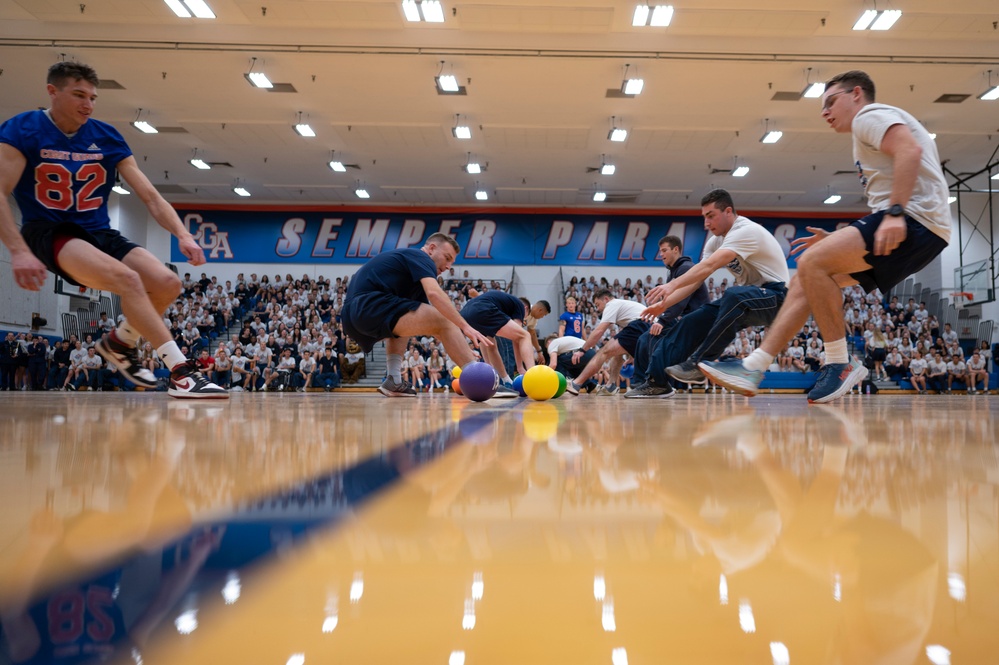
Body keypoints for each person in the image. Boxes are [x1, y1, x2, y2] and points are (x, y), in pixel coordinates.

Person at [700, 70, 951, 403]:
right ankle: (754, 366)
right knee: (805, 281)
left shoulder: (869, 116)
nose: (824, 112)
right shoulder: (867, 130)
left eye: (831, 102)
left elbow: (909, 152)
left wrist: (893, 214)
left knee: (811, 262)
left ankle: (839, 363)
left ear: (857, 94)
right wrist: (839, 237)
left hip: (914, 219)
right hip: (923, 227)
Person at [0, 62, 225, 399]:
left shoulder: (105, 135)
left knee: (168, 283)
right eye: (78, 95)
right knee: (129, 280)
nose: (87, 104)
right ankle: (180, 372)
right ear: (52, 92)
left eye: (92, 97)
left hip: (100, 232)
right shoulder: (22, 130)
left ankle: (120, 343)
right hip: (50, 231)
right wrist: (17, 251)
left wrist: (183, 234)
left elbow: (149, 195)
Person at [626, 189, 789, 398]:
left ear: (728, 211)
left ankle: (699, 363)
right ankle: (657, 383)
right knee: (688, 323)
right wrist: (664, 304)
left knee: (733, 295)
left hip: (776, 298)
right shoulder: (715, 242)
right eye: (704, 217)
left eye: (711, 216)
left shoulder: (746, 231)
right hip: (746, 299)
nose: (706, 223)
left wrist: (671, 285)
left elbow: (709, 266)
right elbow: (695, 281)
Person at [340, 233, 491, 397]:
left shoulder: (413, 276)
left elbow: (430, 325)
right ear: (431, 249)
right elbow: (435, 295)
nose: (449, 266)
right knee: (445, 318)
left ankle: (394, 380)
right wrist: (466, 327)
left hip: (352, 316)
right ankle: (479, 378)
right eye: (447, 258)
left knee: (407, 321)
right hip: (368, 305)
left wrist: (462, 347)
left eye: (452, 263)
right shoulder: (421, 256)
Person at [627, 234, 711, 390]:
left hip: (696, 321)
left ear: (676, 249)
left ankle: (658, 384)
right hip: (683, 319)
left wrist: (662, 321)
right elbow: (670, 302)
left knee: (655, 337)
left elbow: (680, 301)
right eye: (660, 251)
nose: (661, 254)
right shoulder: (674, 271)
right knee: (644, 339)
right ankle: (640, 382)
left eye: (664, 250)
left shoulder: (686, 268)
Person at [459, 289, 549, 396]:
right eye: (524, 318)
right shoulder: (520, 305)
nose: (523, 320)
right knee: (525, 335)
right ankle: (534, 376)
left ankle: (496, 379)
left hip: (465, 314)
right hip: (482, 309)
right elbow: (517, 338)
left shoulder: (503, 304)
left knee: (489, 343)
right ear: (526, 309)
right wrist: (520, 367)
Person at [564, 289, 648, 396]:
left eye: (598, 304)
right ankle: (610, 386)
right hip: (648, 328)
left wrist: (582, 350)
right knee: (618, 354)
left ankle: (576, 383)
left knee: (603, 352)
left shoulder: (612, 304)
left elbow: (599, 331)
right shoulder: (625, 307)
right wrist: (632, 355)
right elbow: (633, 339)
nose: (597, 309)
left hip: (641, 325)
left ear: (606, 299)